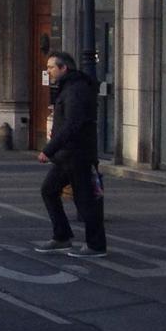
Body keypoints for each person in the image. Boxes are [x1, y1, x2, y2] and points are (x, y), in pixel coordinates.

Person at [37, 50, 106, 256]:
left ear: (63, 68)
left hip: (77, 155)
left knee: (85, 200)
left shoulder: (76, 90)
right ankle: (62, 236)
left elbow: (72, 124)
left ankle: (96, 245)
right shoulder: (68, 87)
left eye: (51, 67)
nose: (48, 71)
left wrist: (48, 150)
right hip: (67, 156)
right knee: (49, 190)